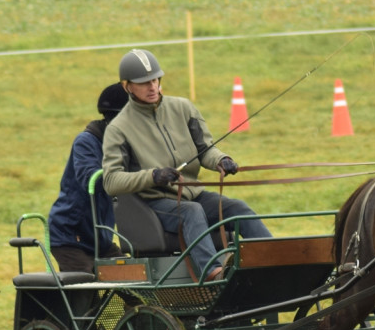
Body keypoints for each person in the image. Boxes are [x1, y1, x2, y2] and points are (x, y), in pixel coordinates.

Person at [102, 48, 271, 281]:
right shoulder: (118, 129)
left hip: (194, 195)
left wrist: (221, 160)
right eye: (143, 83)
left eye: (154, 80)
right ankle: (212, 273)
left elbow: (205, 149)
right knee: (192, 212)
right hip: (154, 204)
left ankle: (274, 259)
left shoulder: (183, 108)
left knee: (238, 208)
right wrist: (154, 176)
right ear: (127, 86)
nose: (152, 87)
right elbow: (111, 181)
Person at [48, 83, 129, 273]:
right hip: (70, 236)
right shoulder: (86, 142)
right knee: (84, 289)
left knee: (133, 282)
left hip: (100, 237)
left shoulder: (123, 145)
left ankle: (137, 305)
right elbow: (91, 180)